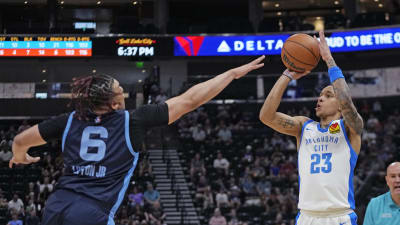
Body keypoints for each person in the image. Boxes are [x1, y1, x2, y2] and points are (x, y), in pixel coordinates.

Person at [8, 56, 265, 225]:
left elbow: (20, 141)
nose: (123, 88)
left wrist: (20, 156)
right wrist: (231, 73)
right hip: (92, 212)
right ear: (113, 102)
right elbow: (190, 100)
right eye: (119, 87)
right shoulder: (134, 120)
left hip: (56, 205)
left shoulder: (68, 121)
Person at [259, 31, 363, 225]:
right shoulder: (303, 126)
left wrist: (329, 60)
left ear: (339, 104)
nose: (320, 98)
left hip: (339, 216)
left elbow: (348, 103)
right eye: (320, 95)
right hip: (307, 217)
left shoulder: (350, 128)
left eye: (328, 95)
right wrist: (287, 75)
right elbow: (266, 116)